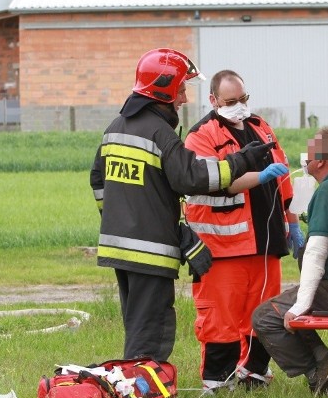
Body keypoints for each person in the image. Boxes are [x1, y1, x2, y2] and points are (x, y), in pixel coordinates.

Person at [89, 48, 278, 363]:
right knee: (150, 329)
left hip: (117, 248)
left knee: (136, 322)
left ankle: (137, 381)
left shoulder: (116, 128)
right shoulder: (158, 132)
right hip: (148, 250)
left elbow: (98, 179)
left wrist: (118, 220)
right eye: (180, 89)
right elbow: (193, 177)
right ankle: (141, 391)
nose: (185, 99)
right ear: (162, 90)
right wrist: (245, 159)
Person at [184, 70, 302, 394]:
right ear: (213, 101)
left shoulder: (261, 127)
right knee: (220, 318)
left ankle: (254, 374)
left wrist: (291, 223)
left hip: (266, 242)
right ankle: (217, 382)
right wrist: (260, 176)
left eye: (244, 99)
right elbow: (215, 181)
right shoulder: (201, 136)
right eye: (231, 102)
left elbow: (285, 181)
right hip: (222, 246)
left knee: (263, 314)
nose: (240, 107)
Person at [252, 127, 328, 397]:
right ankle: (324, 357)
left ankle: (317, 374)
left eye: (311, 148)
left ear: (321, 161)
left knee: (265, 317)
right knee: (286, 305)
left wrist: (301, 306)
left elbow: (316, 252)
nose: (305, 155)